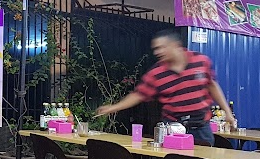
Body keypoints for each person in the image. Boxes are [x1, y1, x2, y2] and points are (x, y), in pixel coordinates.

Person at [97, 29, 236, 146]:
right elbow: (138, 95)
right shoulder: (156, 73)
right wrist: (113, 107)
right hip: (172, 129)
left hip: (201, 128)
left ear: (175, 45)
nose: (157, 52)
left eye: (161, 47)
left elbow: (212, 85)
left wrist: (228, 113)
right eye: (156, 49)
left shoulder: (201, 61)